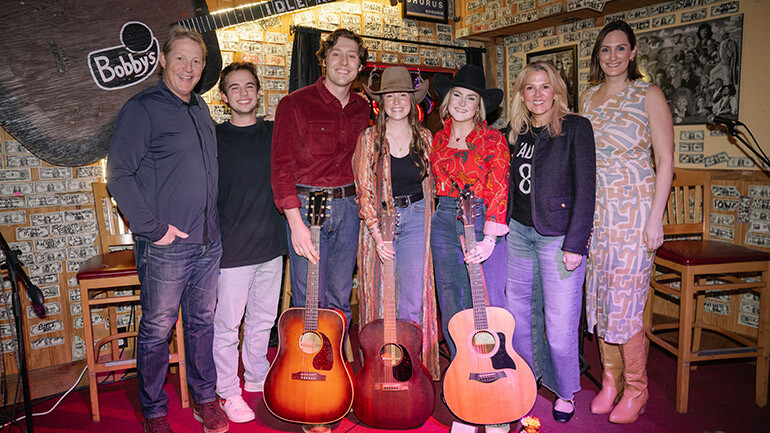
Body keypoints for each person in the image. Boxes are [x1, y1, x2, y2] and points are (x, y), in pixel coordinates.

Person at [106, 26, 228, 433]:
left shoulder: (200, 108)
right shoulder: (142, 109)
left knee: (202, 324)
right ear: (162, 60)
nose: (188, 68)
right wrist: (154, 230)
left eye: (196, 61)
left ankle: (205, 400)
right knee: (157, 331)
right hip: (167, 246)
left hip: (208, 242)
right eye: (180, 59)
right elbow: (118, 175)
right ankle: (155, 412)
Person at [581, 20, 674, 424]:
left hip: (635, 212)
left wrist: (656, 218)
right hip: (597, 214)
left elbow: (666, 160)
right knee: (600, 298)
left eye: (620, 48)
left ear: (633, 52)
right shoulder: (588, 97)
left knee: (626, 303)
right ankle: (610, 381)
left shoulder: (648, 94)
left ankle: (638, 389)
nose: (613, 56)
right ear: (598, 55)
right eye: (606, 49)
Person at [504, 61, 596, 424]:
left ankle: (565, 391)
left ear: (557, 91)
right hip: (518, 234)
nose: (537, 94)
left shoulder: (576, 128)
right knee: (521, 318)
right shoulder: (515, 132)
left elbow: (586, 189)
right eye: (530, 87)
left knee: (560, 325)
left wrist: (576, 244)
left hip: (558, 238)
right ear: (521, 94)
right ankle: (528, 379)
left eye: (545, 86)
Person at [271, 28, 369, 335]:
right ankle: (307, 359)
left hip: (349, 209)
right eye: (336, 54)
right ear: (324, 60)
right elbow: (281, 168)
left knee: (340, 298)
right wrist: (295, 225)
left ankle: (334, 358)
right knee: (309, 300)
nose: (344, 62)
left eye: (352, 56)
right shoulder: (295, 104)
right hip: (306, 209)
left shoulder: (363, 108)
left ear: (360, 66)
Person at [430, 64, 509, 432]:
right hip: (443, 221)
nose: (462, 103)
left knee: (487, 306)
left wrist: (490, 236)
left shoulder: (493, 140)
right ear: (447, 101)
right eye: (457, 96)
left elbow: (499, 187)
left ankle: (497, 385)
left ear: (480, 106)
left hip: (481, 219)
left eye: (471, 98)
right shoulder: (437, 139)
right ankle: (463, 384)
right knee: (451, 305)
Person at [352, 66, 440, 379]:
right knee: (379, 298)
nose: (397, 102)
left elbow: (434, 186)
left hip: (416, 218)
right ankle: (381, 367)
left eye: (403, 95)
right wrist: (377, 235)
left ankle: (410, 366)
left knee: (412, 299)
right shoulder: (369, 139)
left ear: (412, 100)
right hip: (379, 222)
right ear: (381, 102)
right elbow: (364, 190)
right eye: (390, 96)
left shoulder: (425, 138)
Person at [212, 62, 288, 423]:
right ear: (224, 97)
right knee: (227, 325)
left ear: (259, 93)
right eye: (235, 88)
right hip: (232, 247)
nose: (243, 93)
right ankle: (227, 390)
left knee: (263, 320)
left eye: (249, 86)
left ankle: (257, 376)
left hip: (271, 244)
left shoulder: (275, 133)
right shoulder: (213, 137)